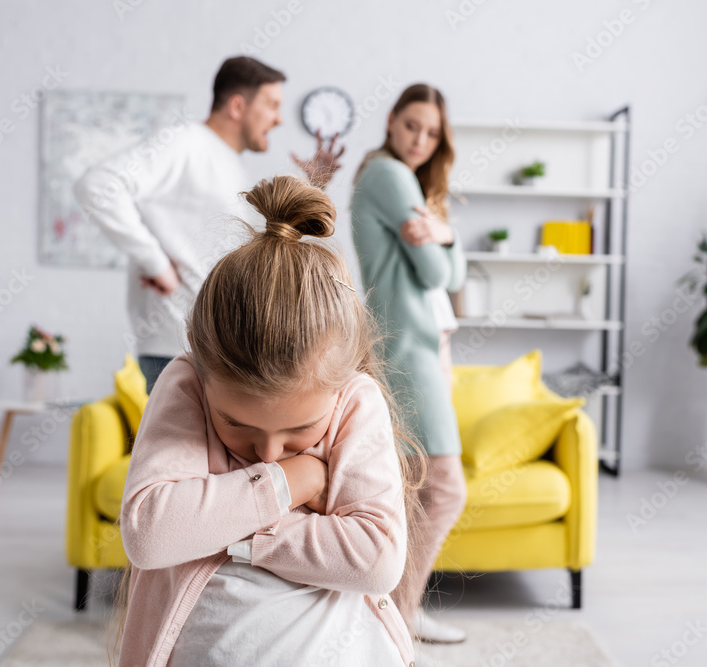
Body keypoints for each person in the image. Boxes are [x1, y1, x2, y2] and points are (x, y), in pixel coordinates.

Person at [112, 176, 422, 667]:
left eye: (299, 432)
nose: (268, 453)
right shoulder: (187, 383)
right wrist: (290, 482)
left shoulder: (354, 400)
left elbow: (376, 558)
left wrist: (223, 531)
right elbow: (150, 533)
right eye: (237, 425)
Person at [73, 56, 345, 393]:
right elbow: (99, 185)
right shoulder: (185, 142)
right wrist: (154, 262)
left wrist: (313, 184)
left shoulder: (228, 162)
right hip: (178, 348)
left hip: (216, 345)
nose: (278, 119)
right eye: (272, 105)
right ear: (236, 106)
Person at [350, 83, 468, 644]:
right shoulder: (389, 176)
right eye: (412, 125)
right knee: (443, 485)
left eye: (432, 132)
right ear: (392, 120)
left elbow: (455, 269)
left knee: (412, 486)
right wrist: (446, 244)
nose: (420, 139)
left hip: (419, 346)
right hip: (407, 348)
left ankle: (390, 612)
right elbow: (439, 275)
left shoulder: (405, 181)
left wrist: (444, 234)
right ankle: (401, 613)